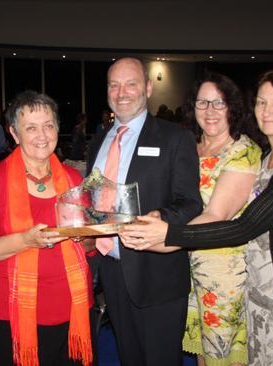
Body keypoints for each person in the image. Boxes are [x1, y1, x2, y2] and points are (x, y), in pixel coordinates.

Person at [121, 69, 273, 366]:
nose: (267, 111)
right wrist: (162, 215)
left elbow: (242, 225)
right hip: (258, 288)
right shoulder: (269, 159)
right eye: (261, 103)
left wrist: (168, 236)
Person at [0, 91, 95, 366]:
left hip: (72, 305)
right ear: (14, 133)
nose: (42, 135)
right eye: (31, 128)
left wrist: (92, 237)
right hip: (12, 311)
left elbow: (87, 247)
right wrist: (26, 240)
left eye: (49, 125)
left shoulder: (72, 179)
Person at [87, 57, 202, 365]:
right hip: (111, 269)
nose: (121, 92)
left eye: (131, 83)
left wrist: (160, 219)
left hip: (156, 274)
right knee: (128, 356)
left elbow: (190, 202)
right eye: (114, 84)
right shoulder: (97, 141)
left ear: (148, 88)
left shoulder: (175, 137)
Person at [178, 73, 262, 366]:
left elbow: (217, 215)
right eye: (203, 102)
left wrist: (165, 234)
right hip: (187, 266)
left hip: (224, 270)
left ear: (232, 108)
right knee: (203, 352)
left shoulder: (242, 151)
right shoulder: (187, 147)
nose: (210, 110)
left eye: (219, 103)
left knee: (224, 356)